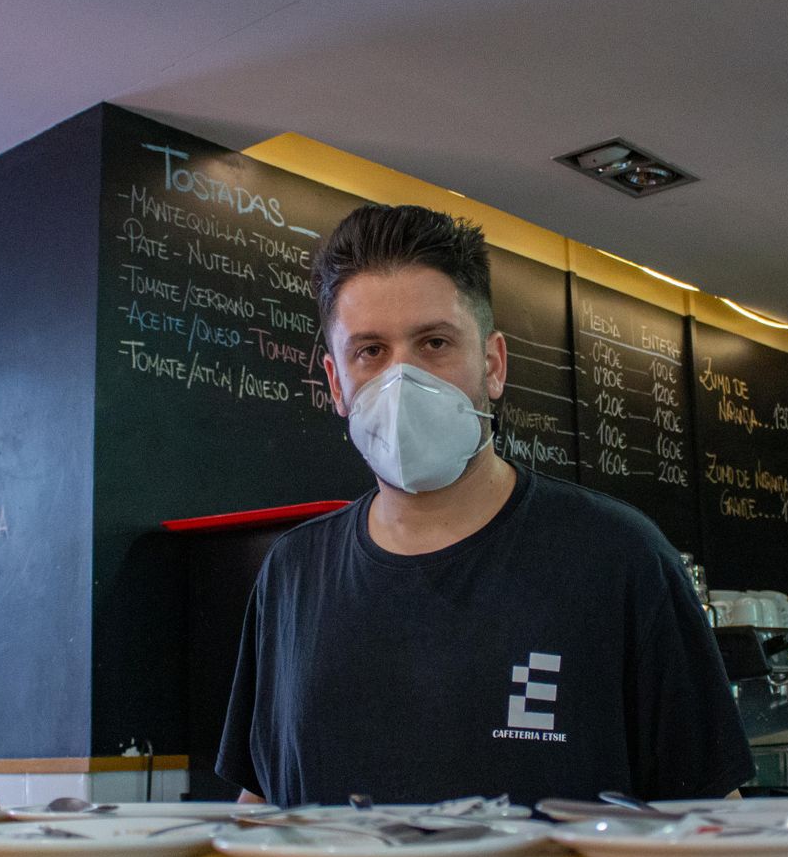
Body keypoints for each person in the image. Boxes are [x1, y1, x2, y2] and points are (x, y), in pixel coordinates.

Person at [216, 203, 752, 807]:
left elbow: (712, 821)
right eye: (370, 351)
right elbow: (259, 808)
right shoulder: (291, 576)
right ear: (337, 384)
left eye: (435, 342)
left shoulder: (618, 558)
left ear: (493, 365)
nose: (403, 380)